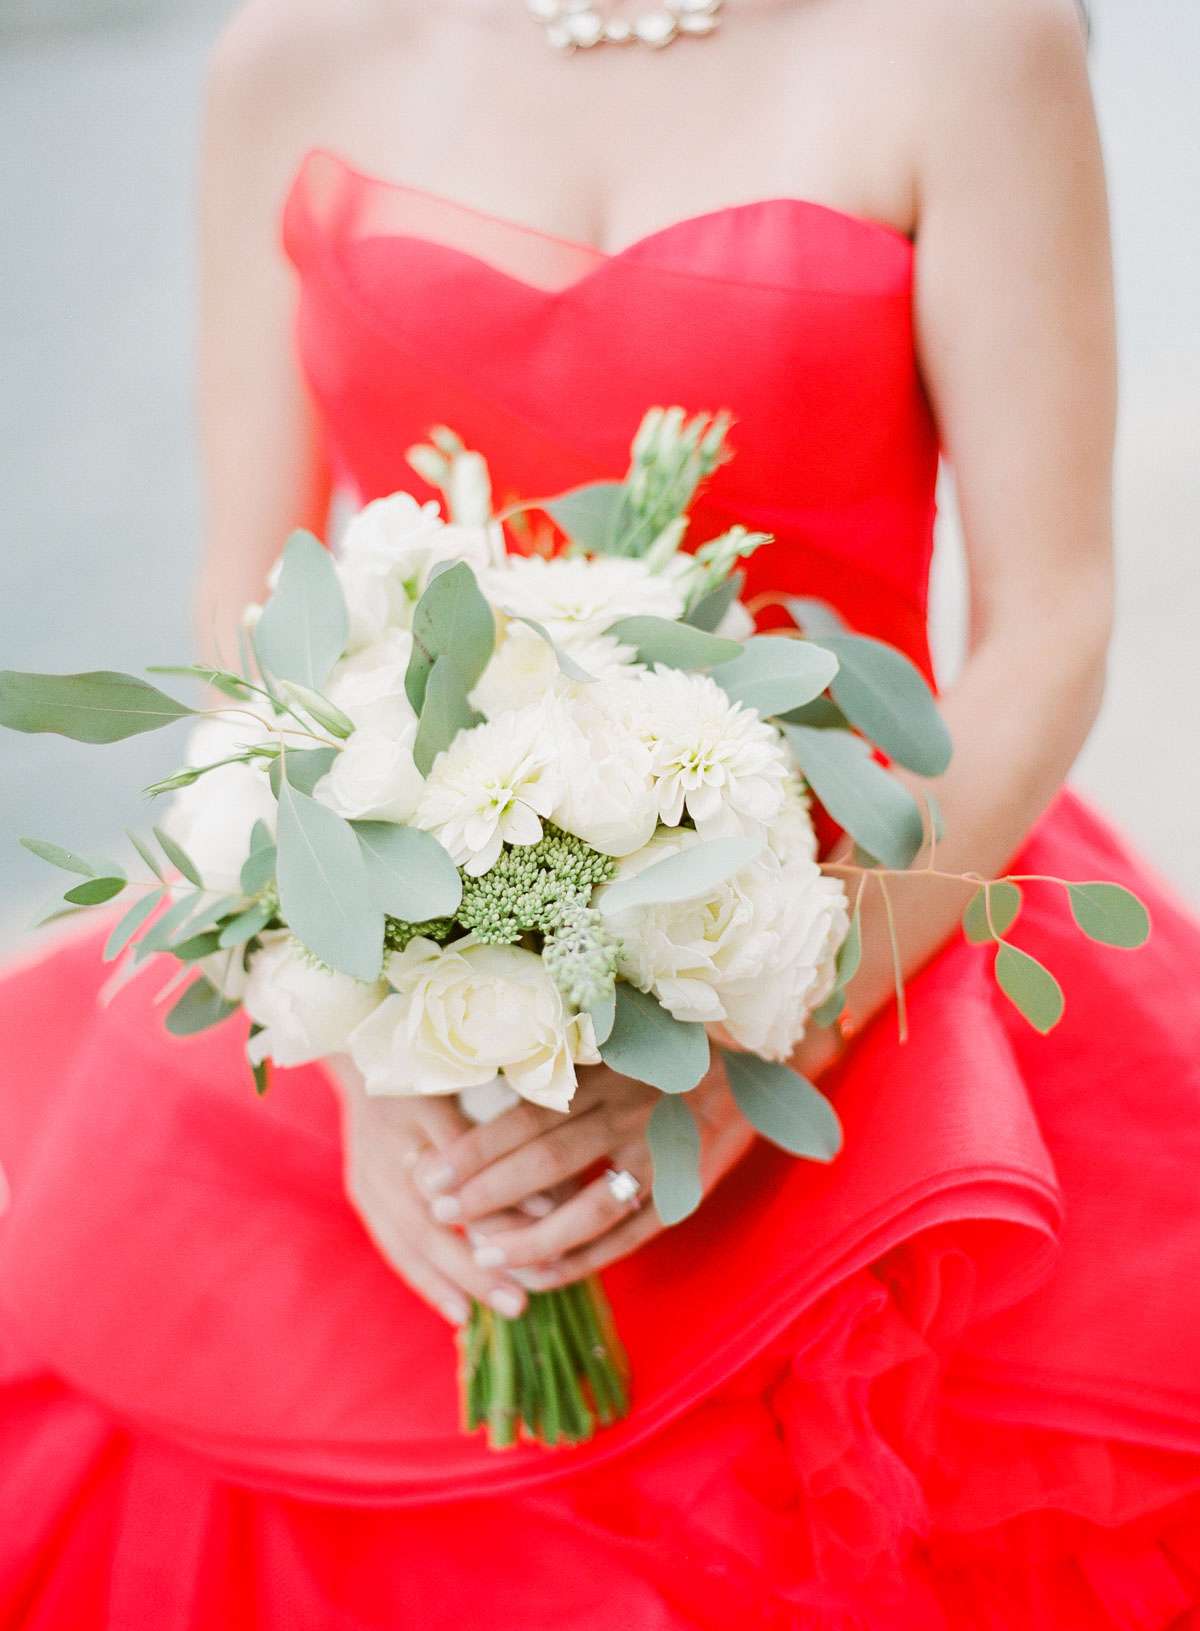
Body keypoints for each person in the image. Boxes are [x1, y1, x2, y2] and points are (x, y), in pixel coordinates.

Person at [2, 0, 1199, 1625]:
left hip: (867, 931)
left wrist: (779, 1028)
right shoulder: (289, 56)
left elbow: (1049, 618)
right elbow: (249, 591)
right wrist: (360, 1022)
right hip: (404, 956)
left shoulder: (971, 40)